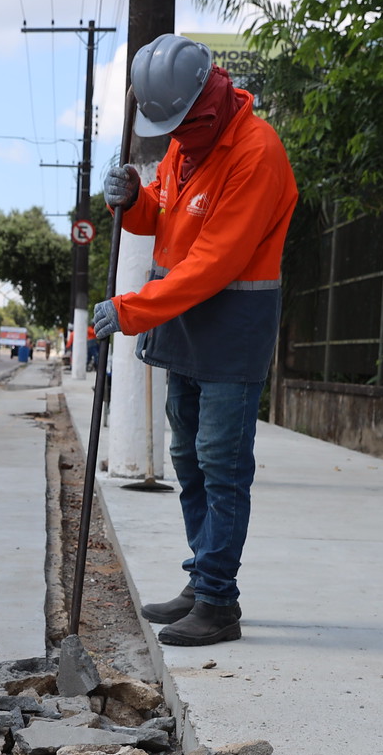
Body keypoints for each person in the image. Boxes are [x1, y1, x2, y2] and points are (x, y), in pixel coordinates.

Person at [89, 33, 298, 648]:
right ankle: (202, 577)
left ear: (207, 104)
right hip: (184, 322)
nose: (174, 138)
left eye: (181, 127)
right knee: (188, 458)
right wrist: (133, 201)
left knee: (221, 464)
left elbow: (213, 263)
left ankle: (218, 601)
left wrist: (130, 309)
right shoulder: (188, 140)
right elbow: (164, 213)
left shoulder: (257, 154)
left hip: (231, 327)